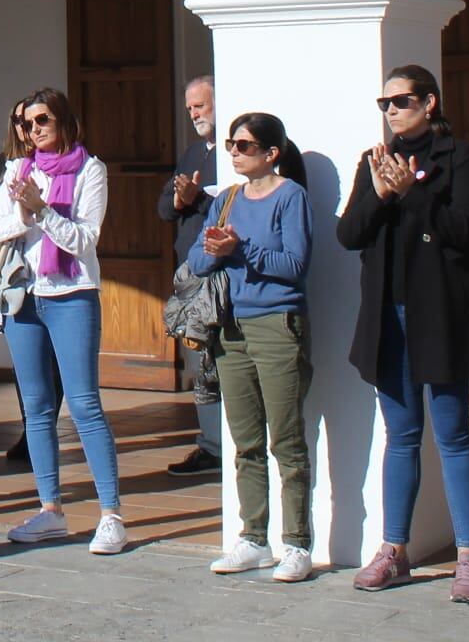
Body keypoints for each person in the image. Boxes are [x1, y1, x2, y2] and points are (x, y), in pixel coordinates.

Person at [338, 65, 469, 602]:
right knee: (401, 435)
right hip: (390, 315)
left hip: (441, 313)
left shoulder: (458, 156)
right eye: (384, 102)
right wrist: (383, 193)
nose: (391, 110)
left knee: (454, 434)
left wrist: (411, 192)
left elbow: (464, 228)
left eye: (401, 100)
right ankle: (394, 550)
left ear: (429, 102)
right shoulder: (375, 162)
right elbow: (349, 233)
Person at [0, 87, 127, 557]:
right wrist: (25, 211)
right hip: (24, 295)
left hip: (71, 295)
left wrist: (41, 211)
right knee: (36, 407)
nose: (33, 130)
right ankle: (50, 510)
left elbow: (84, 240)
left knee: (84, 403)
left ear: (64, 120)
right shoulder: (16, 170)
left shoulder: (91, 170)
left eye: (42, 120)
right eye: (25, 123)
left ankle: (111, 515)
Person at [196, 110, 314, 583]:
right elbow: (198, 259)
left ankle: (298, 543)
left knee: (285, 439)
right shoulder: (225, 199)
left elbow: (295, 264)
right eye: (232, 144)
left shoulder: (291, 197)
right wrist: (213, 249)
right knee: (244, 441)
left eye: (245, 146)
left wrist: (240, 249)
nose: (235, 153)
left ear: (271, 154)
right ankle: (252, 537)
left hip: (277, 325)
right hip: (230, 326)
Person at [160, 73, 222, 477]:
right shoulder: (193, 152)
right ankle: (210, 445)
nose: (193, 113)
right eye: (189, 108)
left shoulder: (237, 150)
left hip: (222, 274)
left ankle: (228, 445)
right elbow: (165, 208)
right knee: (199, 362)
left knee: (222, 365)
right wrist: (182, 198)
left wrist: (196, 198)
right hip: (190, 275)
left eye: (200, 105)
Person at [0, 96, 35, 464]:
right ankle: (30, 429)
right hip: (15, 271)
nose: (28, 128)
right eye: (20, 121)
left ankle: (44, 425)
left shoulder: (71, 166)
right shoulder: (6, 164)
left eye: (34, 120)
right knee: (24, 362)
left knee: (52, 364)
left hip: (54, 275)